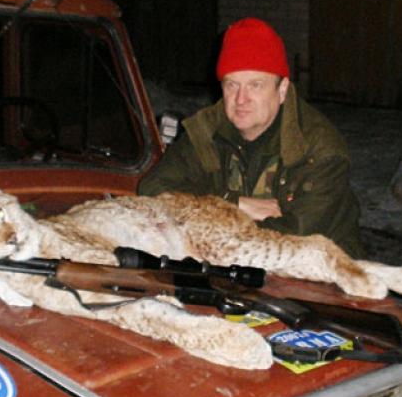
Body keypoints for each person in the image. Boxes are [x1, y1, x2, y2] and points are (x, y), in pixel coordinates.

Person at [138, 17, 364, 257]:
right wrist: (231, 204)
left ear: (282, 89)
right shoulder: (207, 131)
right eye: (232, 85)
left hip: (320, 275)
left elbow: (293, 238)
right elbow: (152, 190)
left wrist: (206, 227)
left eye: (255, 85)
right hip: (231, 268)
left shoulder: (319, 150)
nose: (241, 99)